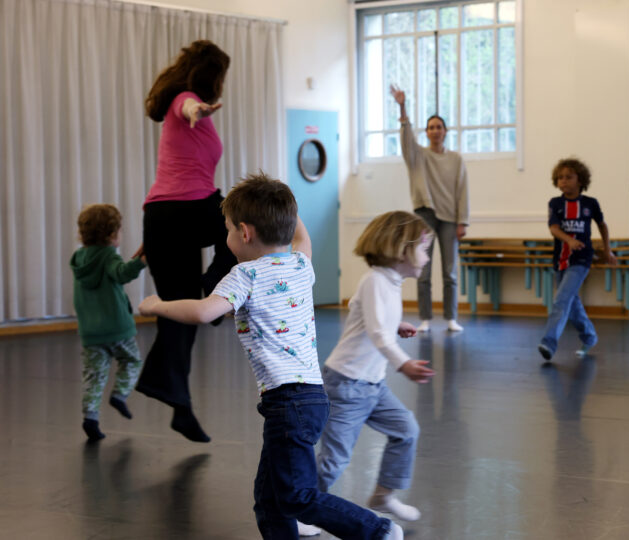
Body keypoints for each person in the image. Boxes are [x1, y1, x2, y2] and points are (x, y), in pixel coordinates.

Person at [139, 174, 403, 540]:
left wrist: (159, 305)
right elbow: (303, 237)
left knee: (296, 497)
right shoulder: (299, 265)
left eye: (228, 229)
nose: (227, 237)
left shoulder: (243, 274)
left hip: (287, 402)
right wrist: (286, 206)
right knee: (269, 500)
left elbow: (204, 312)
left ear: (244, 233)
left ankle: (377, 530)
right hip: (311, 398)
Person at [305, 211, 435, 535]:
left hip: (372, 385)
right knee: (334, 460)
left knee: (406, 430)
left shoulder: (389, 282)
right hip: (346, 384)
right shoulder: (377, 280)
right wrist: (403, 362)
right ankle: (302, 508)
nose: (428, 256)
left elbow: (360, 312)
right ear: (401, 250)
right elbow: (377, 334)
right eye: (424, 248)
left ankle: (383, 494)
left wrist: (396, 325)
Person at [136, 40, 237, 443]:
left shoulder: (187, 107)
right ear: (209, 74)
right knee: (238, 232)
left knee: (183, 314)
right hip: (187, 210)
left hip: (163, 219)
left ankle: (177, 402)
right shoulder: (186, 100)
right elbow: (186, 106)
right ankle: (180, 402)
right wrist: (199, 109)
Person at [390, 84, 469, 333]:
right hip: (425, 214)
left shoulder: (456, 159)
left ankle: (451, 318)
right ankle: (425, 318)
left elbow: (462, 190)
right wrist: (403, 108)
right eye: (431, 127)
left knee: (450, 272)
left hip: (450, 218)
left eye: (439, 127)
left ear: (445, 132)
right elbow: (406, 141)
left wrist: (462, 222)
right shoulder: (418, 156)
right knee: (423, 271)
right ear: (427, 132)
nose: (435, 130)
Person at [70, 204, 147, 441]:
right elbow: (121, 273)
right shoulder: (108, 256)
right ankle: (120, 394)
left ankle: (90, 417)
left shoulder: (79, 258)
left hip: (90, 332)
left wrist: (136, 256)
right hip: (117, 328)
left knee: (93, 375)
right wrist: (141, 262)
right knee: (131, 361)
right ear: (112, 235)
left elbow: (112, 271)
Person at [538, 159, 617, 362]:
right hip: (561, 259)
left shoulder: (590, 203)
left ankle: (548, 343)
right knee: (572, 305)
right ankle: (589, 336)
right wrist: (569, 240)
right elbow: (554, 228)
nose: (564, 181)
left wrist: (607, 249)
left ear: (580, 180)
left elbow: (602, 225)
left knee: (561, 300)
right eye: (560, 178)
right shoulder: (555, 204)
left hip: (581, 259)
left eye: (569, 177)